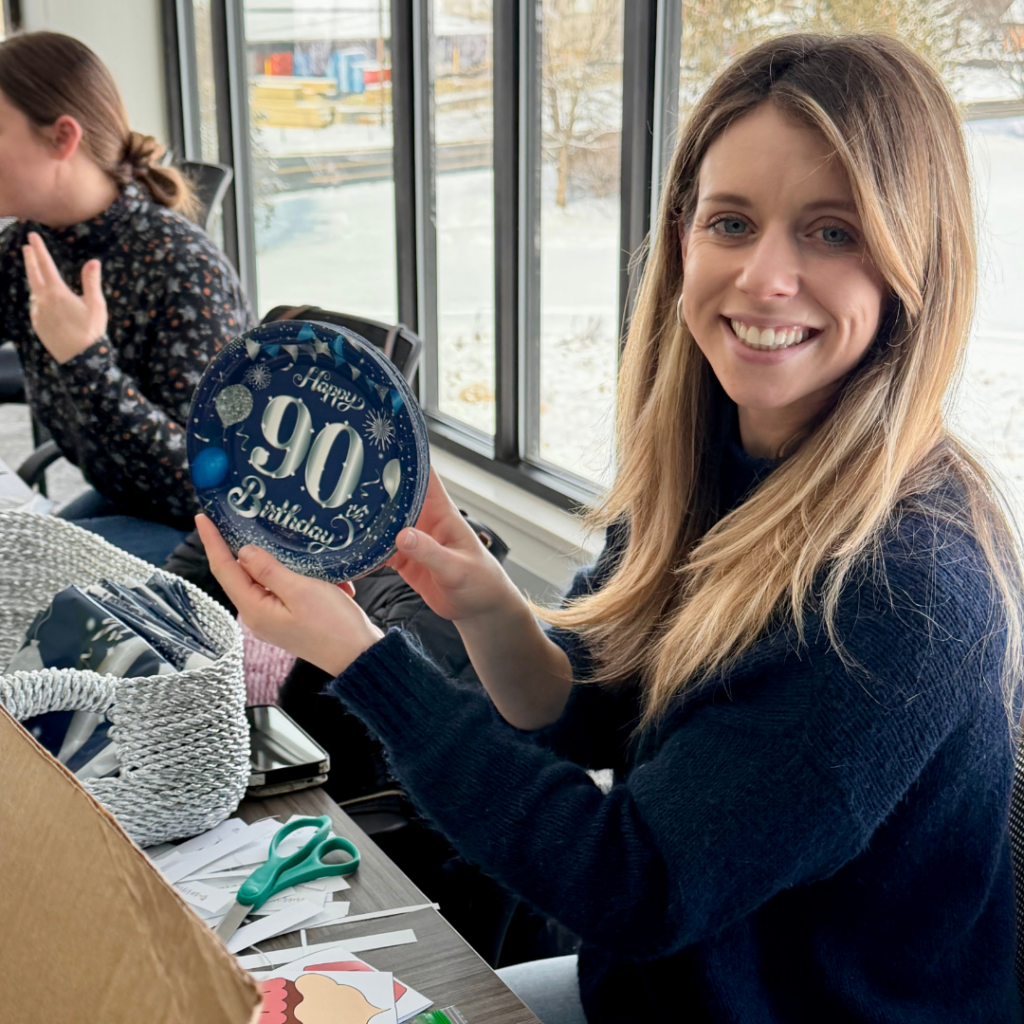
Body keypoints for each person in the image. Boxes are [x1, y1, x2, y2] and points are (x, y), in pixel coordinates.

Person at [198, 33, 1024, 1024]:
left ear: (912, 266)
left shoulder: (907, 586)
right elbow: (596, 702)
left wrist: (367, 661)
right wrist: (488, 606)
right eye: (731, 221)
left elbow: (637, 885)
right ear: (681, 239)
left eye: (832, 232)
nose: (765, 276)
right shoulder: (714, 455)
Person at [0, 31, 251, 565]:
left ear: (62, 137)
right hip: (124, 499)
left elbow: (208, 483)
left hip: (204, 537)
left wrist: (85, 361)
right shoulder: (27, 240)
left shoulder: (182, 266)